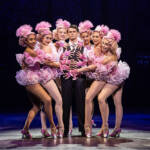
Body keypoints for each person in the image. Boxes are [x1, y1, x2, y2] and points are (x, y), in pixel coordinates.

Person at [15, 24, 56, 138]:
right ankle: (53, 126)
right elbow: (45, 61)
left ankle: (25, 129)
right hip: (31, 80)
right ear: (25, 41)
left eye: (34, 39)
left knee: (36, 106)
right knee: (47, 100)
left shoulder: (31, 49)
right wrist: (57, 64)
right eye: (30, 40)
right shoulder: (31, 51)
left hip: (31, 78)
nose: (33, 41)